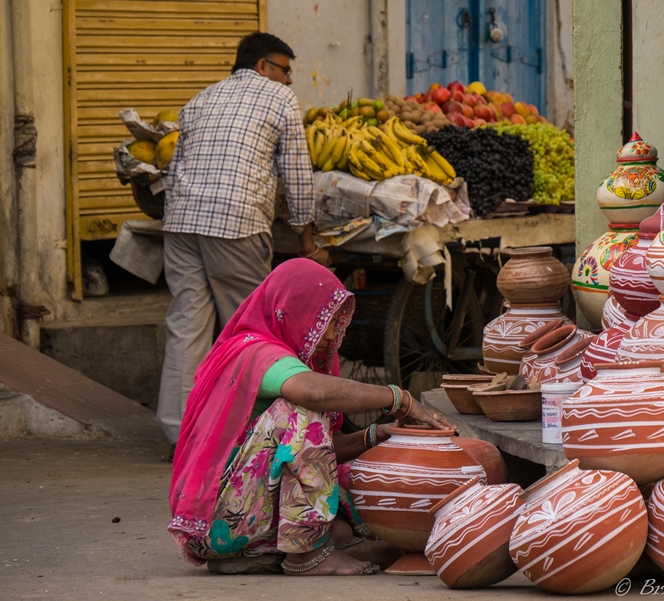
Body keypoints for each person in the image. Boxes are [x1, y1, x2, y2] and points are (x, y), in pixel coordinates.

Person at [168, 259, 454, 576]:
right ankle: (306, 555)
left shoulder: (280, 357)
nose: (333, 335)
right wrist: (398, 398)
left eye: (336, 324)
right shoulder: (258, 353)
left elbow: (314, 452)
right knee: (301, 410)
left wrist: (378, 434)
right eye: (325, 321)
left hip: (237, 517)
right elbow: (312, 395)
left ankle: (283, 551)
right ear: (293, 311)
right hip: (218, 524)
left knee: (343, 476)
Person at [158, 32, 331, 446]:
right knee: (250, 330)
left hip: (181, 222)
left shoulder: (199, 99)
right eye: (285, 70)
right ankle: (250, 434)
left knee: (186, 325)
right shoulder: (280, 99)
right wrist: (306, 239)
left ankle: (179, 434)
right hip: (235, 223)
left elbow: (173, 169)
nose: (289, 81)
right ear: (263, 67)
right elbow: (296, 174)